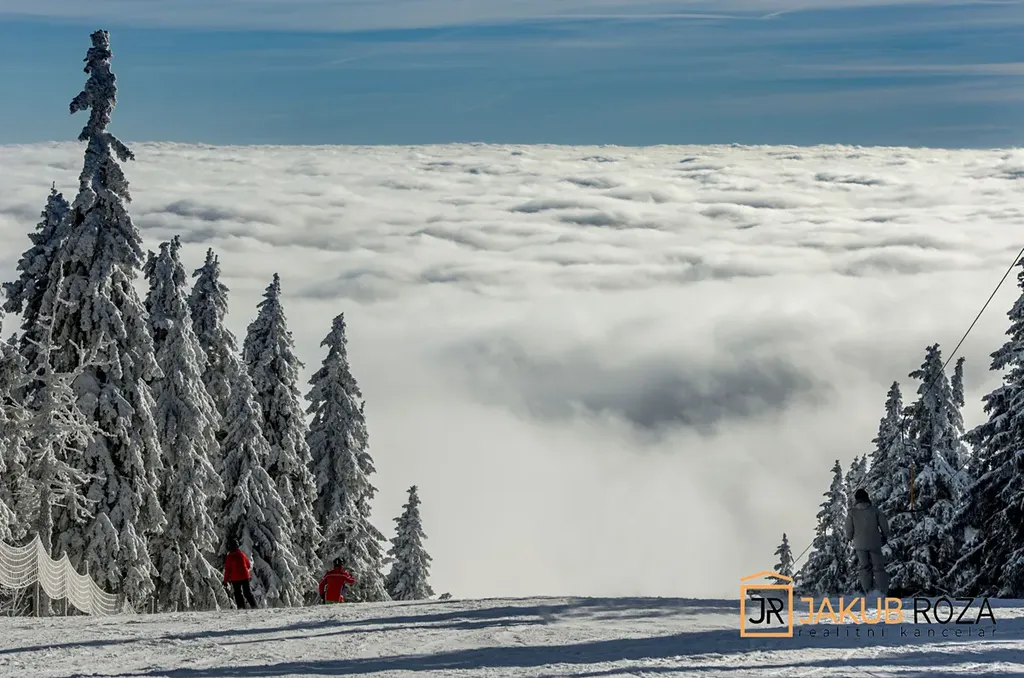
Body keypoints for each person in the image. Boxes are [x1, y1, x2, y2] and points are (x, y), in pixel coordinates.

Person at [845, 488, 891, 596]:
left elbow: (849, 529)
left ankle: (867, 591)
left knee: (864, 567)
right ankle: (882, 591)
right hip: (875, 543)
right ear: (867, 498)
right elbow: (884, 525)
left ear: (856, 499)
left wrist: (849, 538)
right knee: (878, 567)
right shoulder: (875, 510)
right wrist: (885, 536)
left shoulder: (852, 513)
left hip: (860, 544)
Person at [223, 538, 258, 609]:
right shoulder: (242, 554)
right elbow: (248, 565)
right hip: (245, 576)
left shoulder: (229, 557)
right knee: (247, 593)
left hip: (235, 578)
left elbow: (227, 570)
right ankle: (254, 607)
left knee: (238, 593)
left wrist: (225, 581)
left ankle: (241, 608)